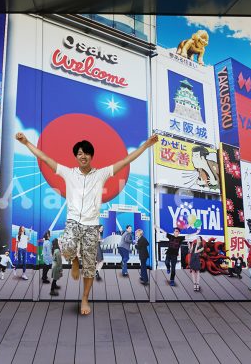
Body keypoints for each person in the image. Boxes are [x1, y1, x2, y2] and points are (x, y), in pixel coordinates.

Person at [16, 132, 158, 315]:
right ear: (76, 156)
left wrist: (146, 145)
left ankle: (84, 298)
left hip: (91, 225)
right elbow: (44, 158)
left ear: (91, 156)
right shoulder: (68, 172)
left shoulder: (101, 174)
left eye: (86, 153)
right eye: (79, 153)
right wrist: (26, 142)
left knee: (90, 266)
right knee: (65, 246)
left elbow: (125, 160)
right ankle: (75, 260)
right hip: (73, 220)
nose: (83, 156)